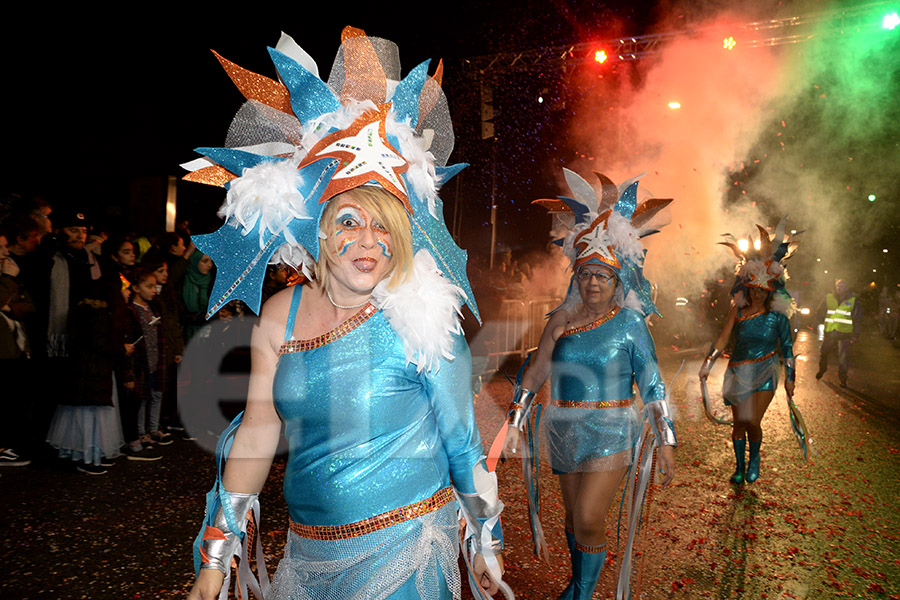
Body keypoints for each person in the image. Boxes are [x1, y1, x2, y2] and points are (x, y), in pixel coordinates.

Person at [185, 27, 506, 600]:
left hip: (408, 554)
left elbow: (462, 442)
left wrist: (486, 539)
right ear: (318, 231)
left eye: (384, 225)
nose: (368, 241)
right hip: (309, 558)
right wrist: (218, 549)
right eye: (350, 221)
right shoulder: (279, 316)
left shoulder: (422, 318)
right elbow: (260, 430)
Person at [502, 169, 677, 600]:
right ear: (576, 277)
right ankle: (579, 581)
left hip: (613, 430)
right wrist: (516, 419)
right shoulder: (560, 320)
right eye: (586, 274)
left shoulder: (630, 323)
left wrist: (666, 437)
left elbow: (651, 381)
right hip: (563, 430)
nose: (594, 282)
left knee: (588, 516)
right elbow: (539, 367)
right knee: (571, 518)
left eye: (603, 275)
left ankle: (582, 592)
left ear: (618, 280)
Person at [699, 220, 797, 484]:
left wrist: (790, 377)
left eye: (762, 291)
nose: (757, 295)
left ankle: (755, 459)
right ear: (748, 287)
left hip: (765, 371)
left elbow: (787, 348)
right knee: (739, 423)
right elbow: (722, 337)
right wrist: (709, 362)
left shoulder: (778, 319)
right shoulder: (738, 311)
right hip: (737, 371)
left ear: (770, 291)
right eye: (753, 289)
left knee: (752, 420)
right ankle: (740, 467)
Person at [816, 279, 860, 387]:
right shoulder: (828, 297)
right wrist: (819, 323)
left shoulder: (853, 301)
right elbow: (820, 312)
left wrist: (855, 335)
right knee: (824, 352)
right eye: (838, 286)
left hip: (844, 332)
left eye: (842, 286)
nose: (839, 288)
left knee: (843, 357)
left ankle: (843, 379)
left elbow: (857, 319)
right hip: (830, 331)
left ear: (846, 288)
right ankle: (822, 369)